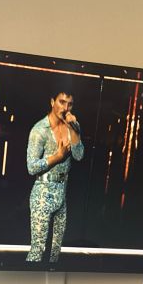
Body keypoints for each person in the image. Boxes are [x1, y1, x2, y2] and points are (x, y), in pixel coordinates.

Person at [25, 89, 84, 263]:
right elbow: (31, 166)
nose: (65, 107)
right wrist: (56, 157)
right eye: (61, 102)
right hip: (42, 194)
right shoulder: (40, 130)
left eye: (70, 103)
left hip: (61, 194)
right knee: (38, 250)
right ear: (52, 102)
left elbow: (79, 155)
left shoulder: (71, 126)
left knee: (55, 252)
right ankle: (28, 283)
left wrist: (74, 130)